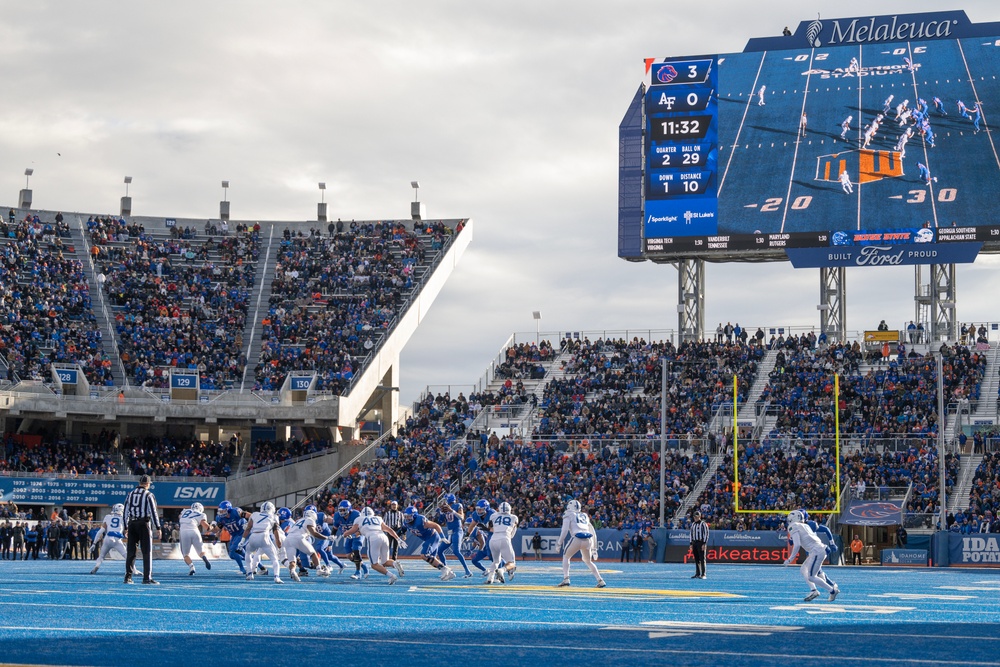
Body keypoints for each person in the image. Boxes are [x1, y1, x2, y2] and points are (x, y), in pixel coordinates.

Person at [341, 506, 404, 585]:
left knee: (374, 565)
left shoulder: (358, 519)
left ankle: (392, 576)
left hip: (373, 539)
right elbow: (389, 529)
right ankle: (395, 563)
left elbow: (353, 530)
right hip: (384, 537)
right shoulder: (378, 518)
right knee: (385, 562)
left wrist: (345, 534)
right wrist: (398, 539)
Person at [785, 510, 839, 601]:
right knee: (804, 569)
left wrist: (790, 559)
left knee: (812, 576)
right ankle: (815, 590)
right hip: (818, 550)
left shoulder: (794, 526)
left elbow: (797, 544)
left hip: (816, 551)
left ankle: (832, 589)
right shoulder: (805, 525)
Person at [555, 499, 605, 588]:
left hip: (577, 538)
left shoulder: (568, 515)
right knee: (588, 561)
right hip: (588, 540)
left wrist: (559, 543)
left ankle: (566, 578)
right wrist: (594, 548)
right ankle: (600, 580)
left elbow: (564, 530)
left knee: (566, 556)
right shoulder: (585, 515)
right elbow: (592, 531)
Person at [123, 475, 161, 584]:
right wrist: (158, 527)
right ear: (148, 484)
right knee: (146, 551)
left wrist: (125, 527)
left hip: (132, 523)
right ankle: (146, 578)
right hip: (143, 523)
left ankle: (128, 577)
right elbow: (153, 512)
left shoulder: (130, 494)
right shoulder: (149, 495)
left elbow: (125, 511)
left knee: (131, 551)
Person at [402, 505, 455, 580]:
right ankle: (449, 572)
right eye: (406, 516)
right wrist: (402, 535)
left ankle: (446, 570)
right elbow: (403, 528)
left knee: (424, 555)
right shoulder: (406, 522)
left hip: (433, 537)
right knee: (431, 560)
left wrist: (442, 536)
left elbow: (436, 525)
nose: (407, 518)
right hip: (427, 539)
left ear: (414, 515)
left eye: (409, 516)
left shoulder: (420, 520)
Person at [283, 507, 333, 581]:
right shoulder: (310, 520)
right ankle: (319, 569)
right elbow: (314, 533)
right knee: (313, 554)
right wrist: (327, 538)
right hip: (299, 537)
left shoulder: (298, 520)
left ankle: (293, 571)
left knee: (292, 561)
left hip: (288, 539)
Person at [239, 502, 284, 583]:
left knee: (248, 552)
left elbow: (248, 528)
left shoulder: (255, 514)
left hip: (254, 536)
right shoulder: (274, 516)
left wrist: (242, 540)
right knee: (274, 558)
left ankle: (249, 573)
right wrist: (278, 542)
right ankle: (276, 577)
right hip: (264, 536)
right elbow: (275, 531)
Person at [331, 500, 369, 580]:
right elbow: (335, 529)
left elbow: (363, 527)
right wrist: (331, 539)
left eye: (343, 510)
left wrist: (357, 533)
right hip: (348, 536)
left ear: (349, 509)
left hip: (357, 534)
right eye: (340, 510)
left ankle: (358, 572)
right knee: (349, 556)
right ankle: (363, 565)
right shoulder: (337, 516)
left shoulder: (356, 514)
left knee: (356, 549)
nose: (341, 512)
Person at [439, 494, 472, 577]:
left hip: (458, 531)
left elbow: (461, 517)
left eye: (446, 500)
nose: (444, 502)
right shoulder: (445, 508)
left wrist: (452, 511)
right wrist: (441, 513)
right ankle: (446, 570)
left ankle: (467, 571)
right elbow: (441, 521)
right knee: (439, 551)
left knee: (456, 551)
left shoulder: (458, 505)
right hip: (450, 532)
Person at [486, 502, 518, 585]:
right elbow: (513, 530)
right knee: (512, 563)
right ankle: (502, 570)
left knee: (496, 561)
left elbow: (489, 527)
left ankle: (490, 578)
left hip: (493, 539)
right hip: (504, 538)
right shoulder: (514, 517)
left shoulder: (493, 516)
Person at [91, 504, 128, 574]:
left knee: (101, 556)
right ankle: (134, 570)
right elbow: (126, 531)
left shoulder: (108, 517)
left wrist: (94, 543)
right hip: (117, 539)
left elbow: (100, 531)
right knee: (127, 556)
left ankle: (97, 565)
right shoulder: (124, 518)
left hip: (108, 538)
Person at [178, 502, 213, 576]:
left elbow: (180, 517)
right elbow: (207, 527)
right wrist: (212, 526)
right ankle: (204, 557)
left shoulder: (185, 511)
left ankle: (192, 567)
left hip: (184, 531)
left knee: (185, 554)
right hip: (194, 531)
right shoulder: (201, 514)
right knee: (200, 551)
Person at [690, 510, 709, 579]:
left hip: (701, 542)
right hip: (695, 542)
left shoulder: (703, 524)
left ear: (699, 517)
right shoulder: (693, 524)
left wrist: (704, 543)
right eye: (694, 517)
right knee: (696, 559)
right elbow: (691, 534)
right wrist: (691, 543)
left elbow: (706, 534)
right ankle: (697, 573)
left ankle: (703, 574)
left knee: (702, 558)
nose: (695, 518)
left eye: (696, 517)